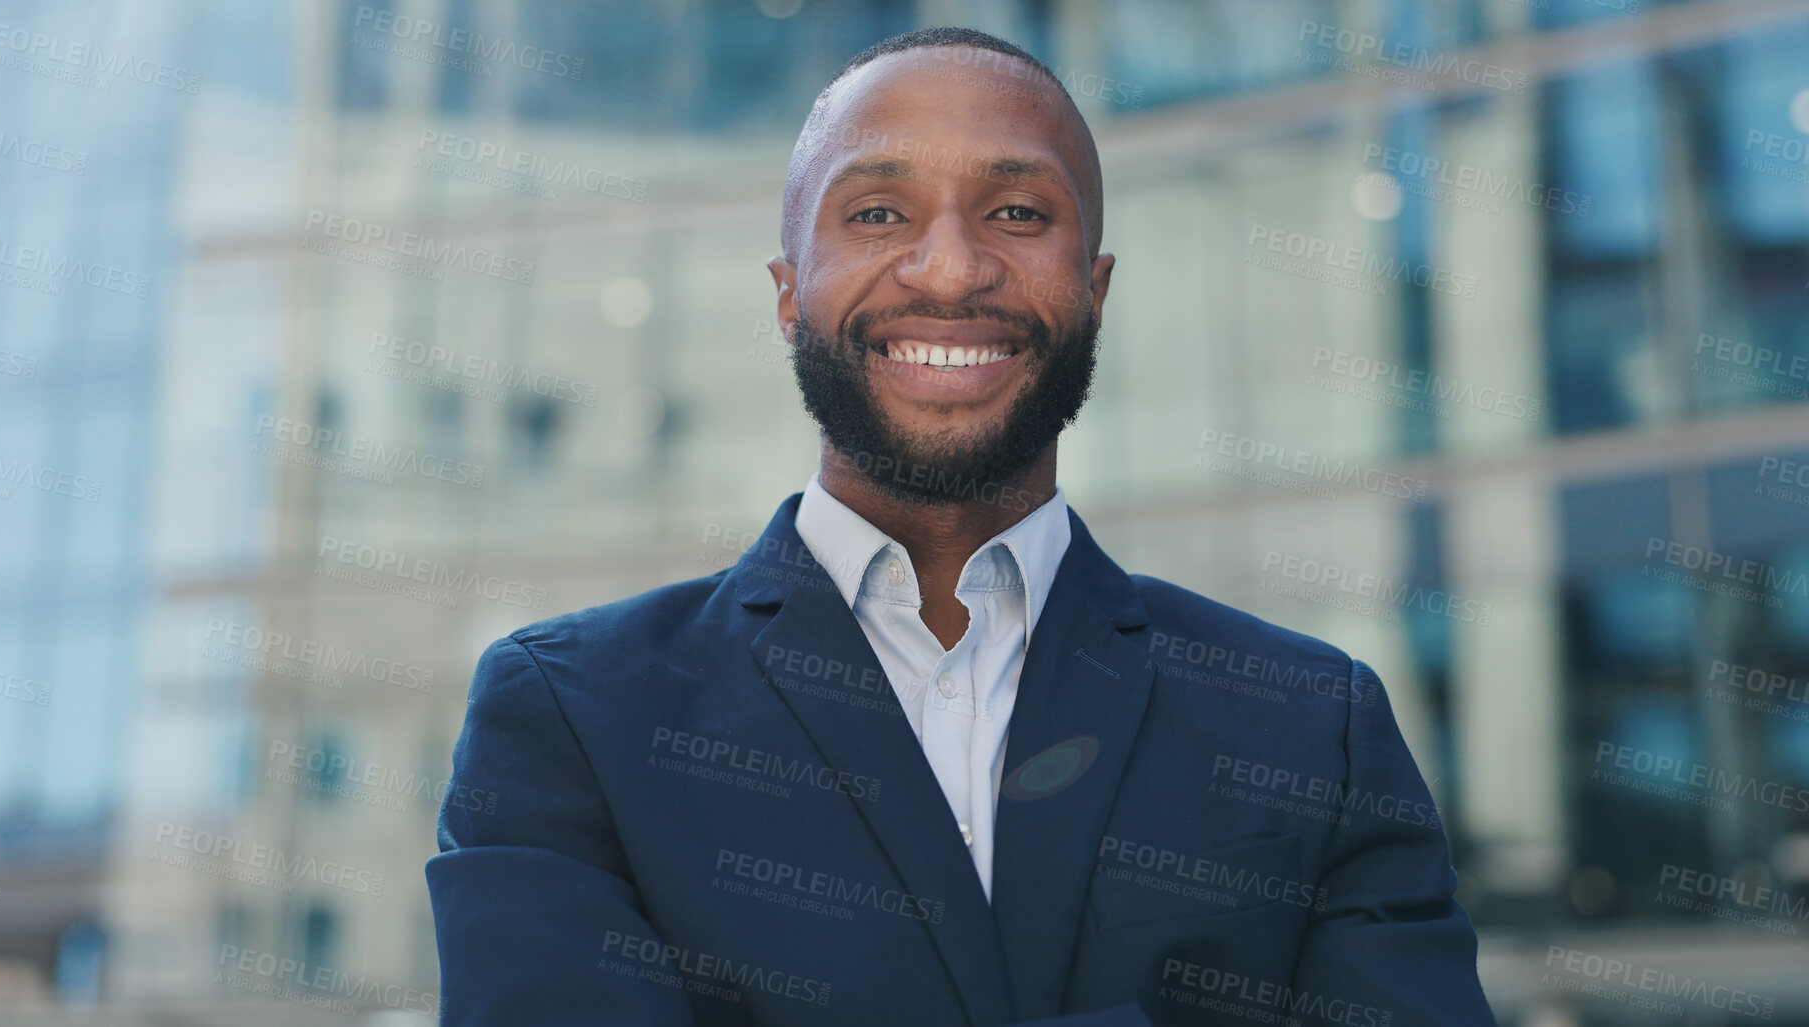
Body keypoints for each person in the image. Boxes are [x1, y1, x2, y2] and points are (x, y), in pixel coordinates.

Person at [427, 26, 1498, 1027]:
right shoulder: (573, 714)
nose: (950, 269)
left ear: (1096, 285)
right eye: (879, 214)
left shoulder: (1313, 727)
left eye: (1019, 213)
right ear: (790, 293)